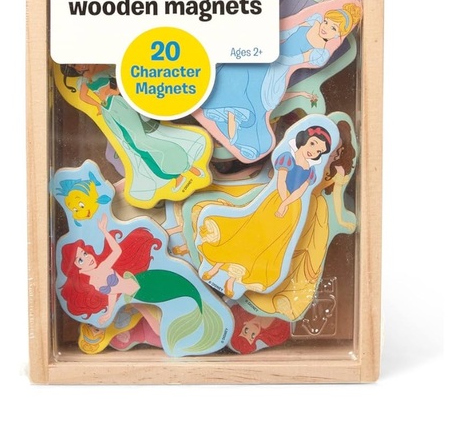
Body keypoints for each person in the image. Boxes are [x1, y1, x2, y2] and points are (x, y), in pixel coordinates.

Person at [196, 0, 360, 163]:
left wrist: (267, 50)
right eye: (326, 22)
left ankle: (237, 121)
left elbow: (289, 60)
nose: (325, 27)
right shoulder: (311, 22)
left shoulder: (319, 53)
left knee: (251, 85)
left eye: (333, 28)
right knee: (236, 70)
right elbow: (284, 33)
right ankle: (224, 106)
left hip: (275, 73)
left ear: (338, 34)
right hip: (262, 52)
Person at [59, 214, 227, 355]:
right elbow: (112, 293)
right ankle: (190, 334)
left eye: (85, 253)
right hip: (138, 294)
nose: (87, 257)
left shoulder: (102, 267)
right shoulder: (93, 282)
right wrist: (109, 312)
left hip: (143, 284)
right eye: (80, 259)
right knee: (171, 308)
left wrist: (104, 231)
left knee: (182, 291)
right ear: (76, 269)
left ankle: (204, 325)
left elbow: (117, 251)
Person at [197, 126, 333, 298]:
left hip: (293, 210)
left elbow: (301, 191)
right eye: (313, 144)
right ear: (303, 139)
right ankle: (216, 267)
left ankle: (232, 280)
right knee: (248, 234)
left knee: (267, 245)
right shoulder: (287, 158)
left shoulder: (311, 171)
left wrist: (287, 204)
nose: (314, 151)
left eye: (319, 151)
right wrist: (283, 201)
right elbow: (281, 181)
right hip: (274, 201)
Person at [244, 120, 357, 320]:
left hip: (316, 211)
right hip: (291, 203)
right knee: (276, 242)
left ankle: (288, 298)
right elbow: (279, 177)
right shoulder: (298, 160)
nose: (332, 154)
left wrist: (341, 220)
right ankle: (257, 278)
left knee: (308, 256)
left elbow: (336, 199)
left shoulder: (334, 171)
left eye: (334, 150)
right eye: (330, 149)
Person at [60, 64, 206, 197]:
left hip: (120, 105)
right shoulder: (85, 79)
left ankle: (187, 166)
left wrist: (115, 91)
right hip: (108, 113)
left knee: (143, 141)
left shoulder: (104, 67)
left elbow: (124, 80)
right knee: (135, 148)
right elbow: (83, 96)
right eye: (74, 66)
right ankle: (175, 177)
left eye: (76, 63)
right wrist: (98, 105)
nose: (79, 66)